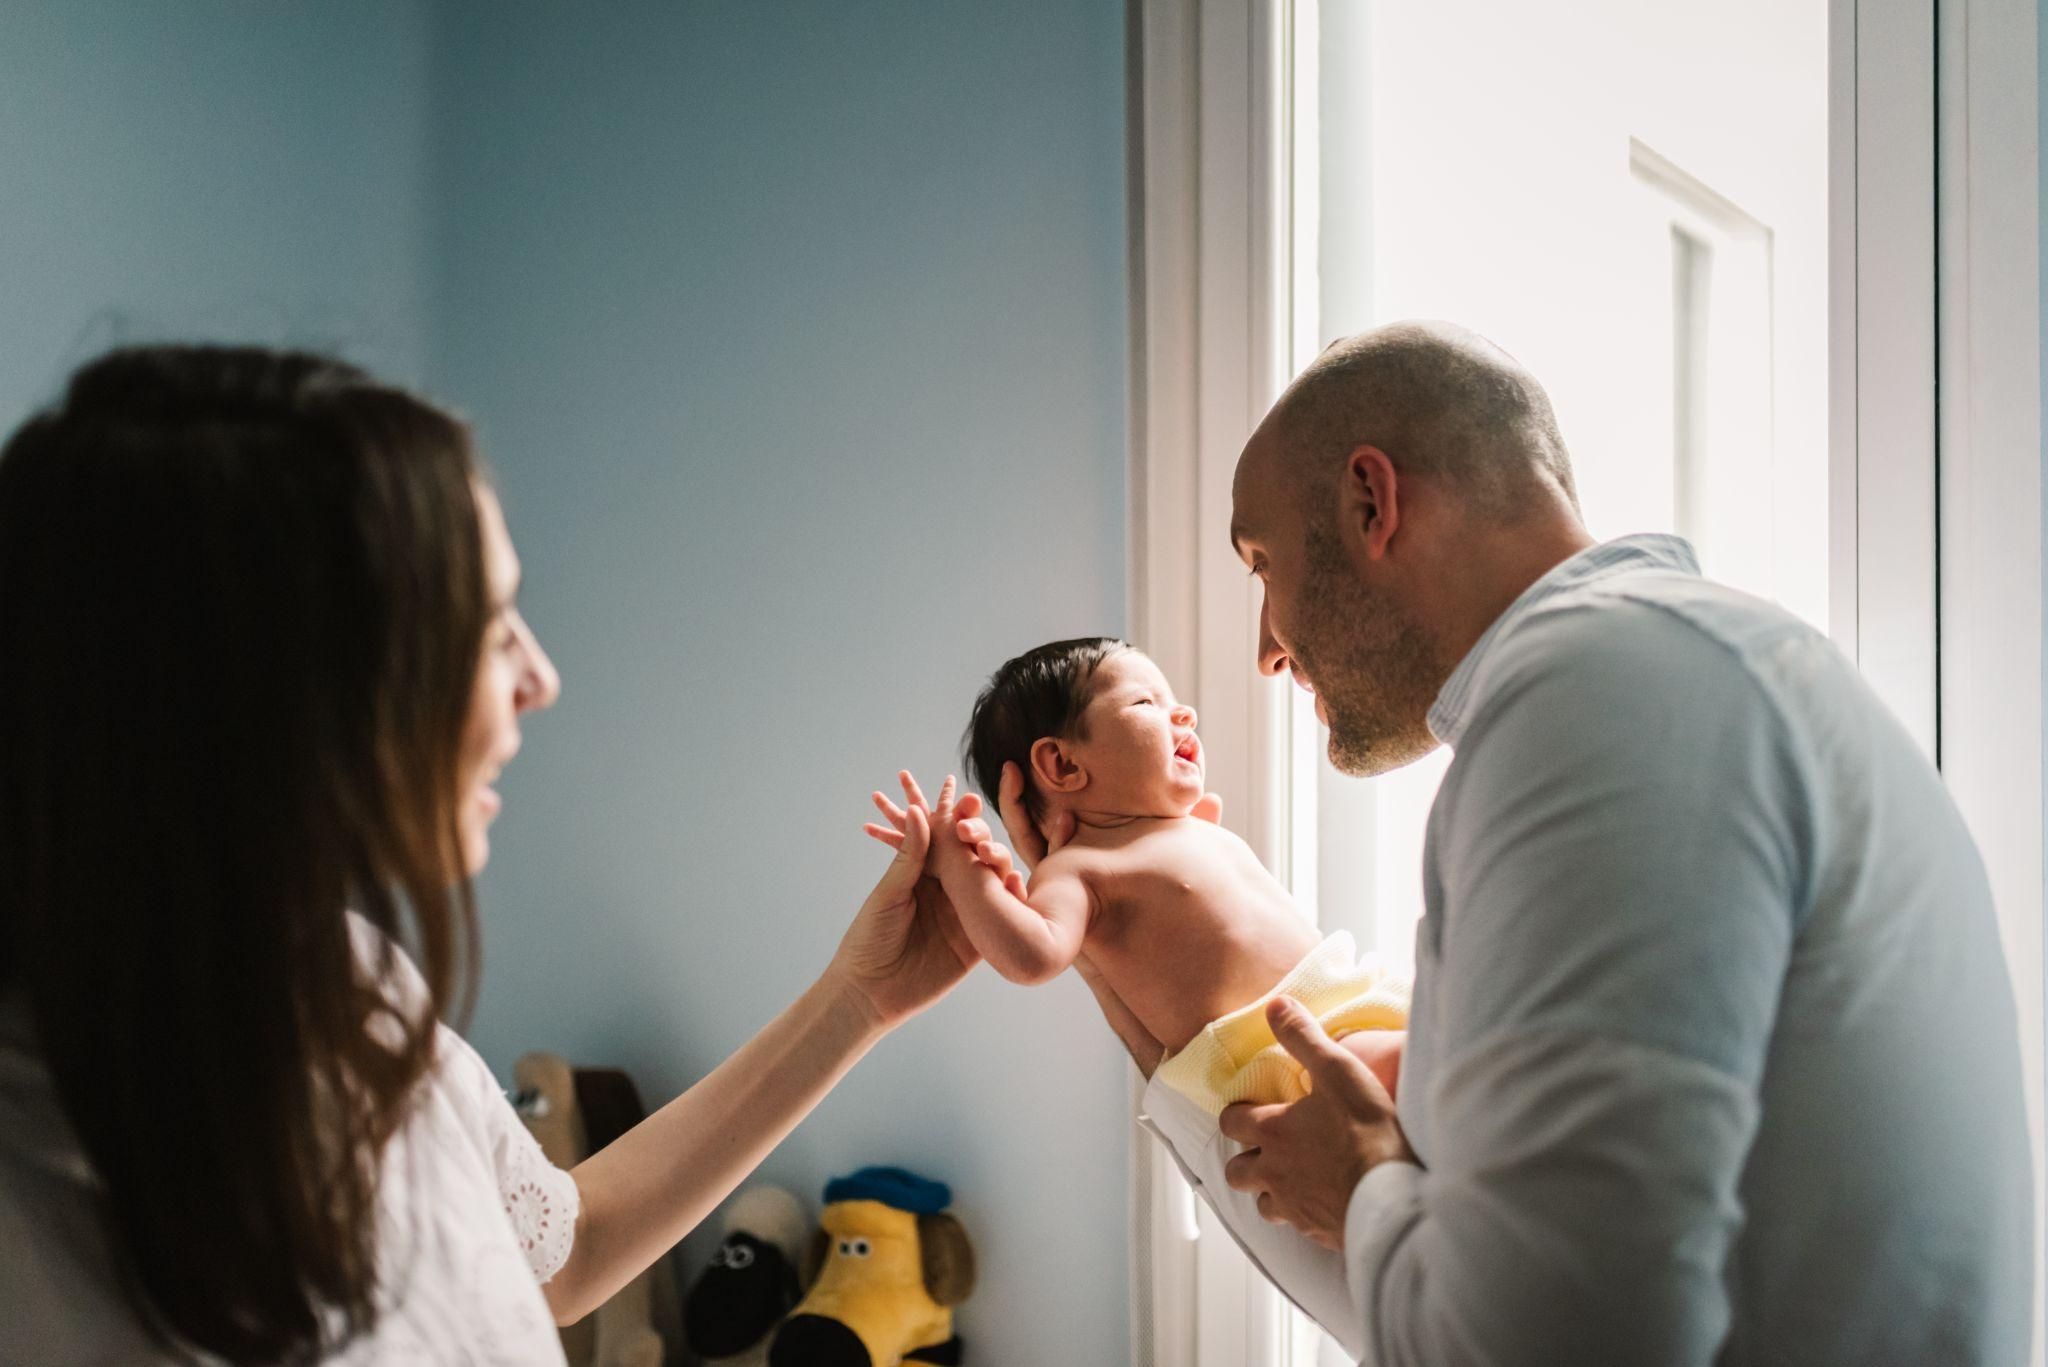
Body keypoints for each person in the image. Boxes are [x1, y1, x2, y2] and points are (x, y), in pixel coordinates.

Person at [981, 321, 2035, 1364]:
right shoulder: (1667, 674)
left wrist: (1362, 1194)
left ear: (1368, 502)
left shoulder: (1602, 697)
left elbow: (1551, 1336)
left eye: (1263, 565)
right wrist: (1138, 994)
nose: (1265, 648)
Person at [0, 346, 979, 1364]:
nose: (540, 676)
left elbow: (565, 1248)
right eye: (482, 621)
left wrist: (858, 999)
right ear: (293, 676)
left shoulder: (348, 979)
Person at [873, 636, 1407, 1106]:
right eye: (1147, 702)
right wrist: (963, 871)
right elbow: (1030, 957)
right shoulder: (1079, 870)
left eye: (1173, 699)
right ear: (1063, 765)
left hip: (1349, 999)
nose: (1185, 714)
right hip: (1280, 1055)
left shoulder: (1181, 826)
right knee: (1413, 1068)